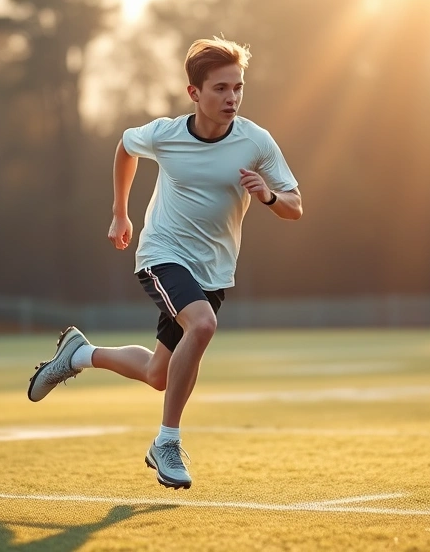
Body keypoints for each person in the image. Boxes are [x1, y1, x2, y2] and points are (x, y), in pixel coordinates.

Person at [27, 36, 303, 490]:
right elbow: (124, 148)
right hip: (163, 254)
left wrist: (269, 196)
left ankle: (78, 355)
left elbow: (296, 206)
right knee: (204, 325)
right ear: (194, 92)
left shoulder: (257, 141)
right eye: (219, 88)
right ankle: (167, 441)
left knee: (159, 374)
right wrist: (120, 212)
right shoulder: (166, 134)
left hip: (215, 270)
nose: (231, 97)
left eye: (237, 87)